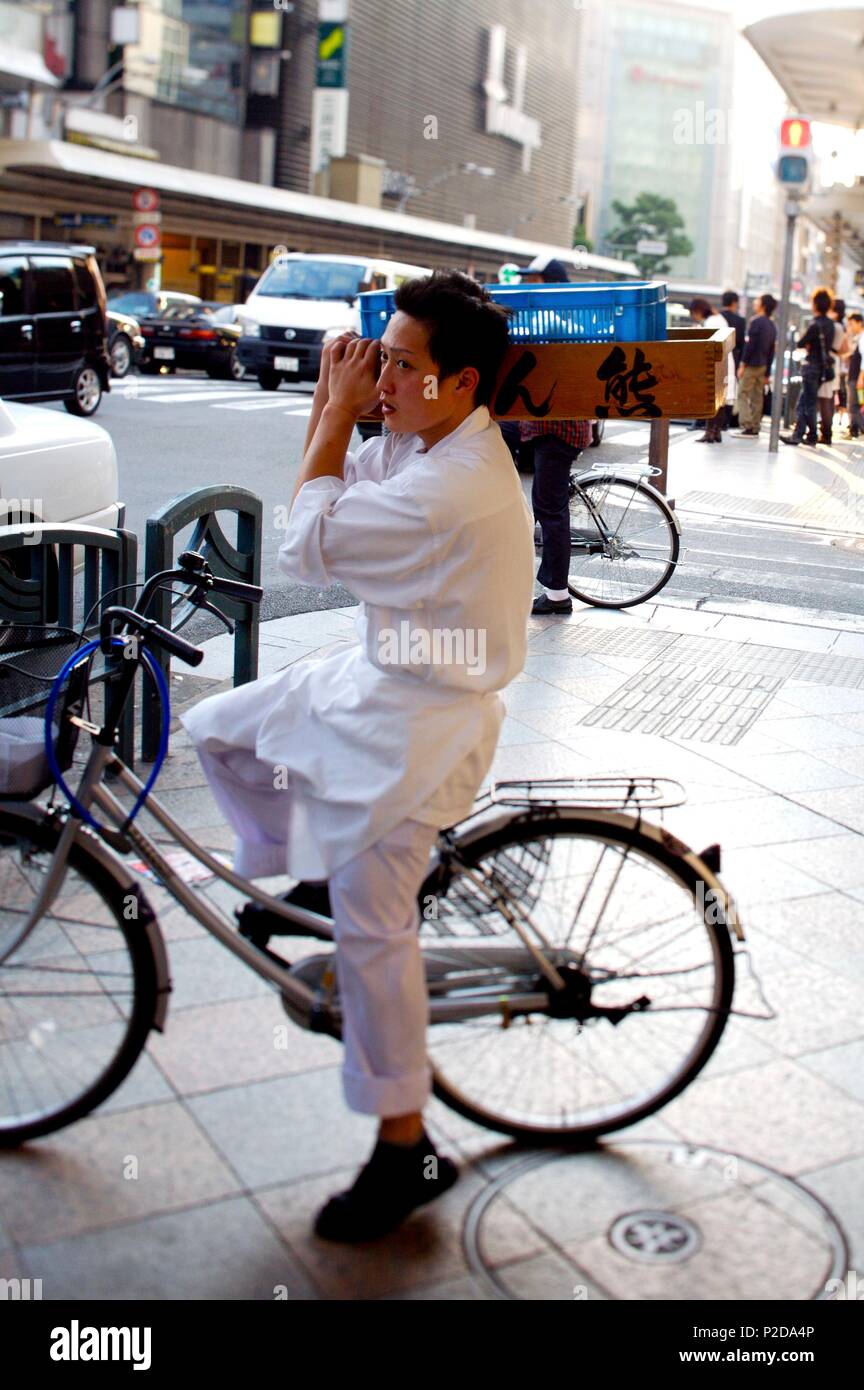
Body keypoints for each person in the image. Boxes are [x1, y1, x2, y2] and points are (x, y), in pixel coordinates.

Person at [181, 271, 535, 1242]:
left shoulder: (447, 487)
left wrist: (335, 412)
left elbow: (305, 545)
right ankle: (310, 866)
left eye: (404, 366)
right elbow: (325, 489)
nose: (386, 380)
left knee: (375, 936)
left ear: (462, 381)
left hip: (424, 720)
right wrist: (332, 407)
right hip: (386, 680)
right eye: (382, 357)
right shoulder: (436, 438)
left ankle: (404, 1148)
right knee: (222, 730)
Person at [516, 254, 592, 615]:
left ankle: (558, 594)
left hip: (556, 427)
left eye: (531, 280)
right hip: (551, 425)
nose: (525, 286)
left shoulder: (551, 322)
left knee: (550, 509)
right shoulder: (559, 319)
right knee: (547, 504)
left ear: (548, 283)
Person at [782, 287, 847, 446]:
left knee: (807, 403)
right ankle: (805, 435)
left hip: (811, 366)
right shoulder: (832, 324)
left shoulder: (815, 324)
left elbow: (801, 343)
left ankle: (806, 436)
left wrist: (808, 343)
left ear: (816, 304)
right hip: (822, 369)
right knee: (806, 401)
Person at [689, 298, 736, 442]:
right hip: (726, 360)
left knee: (712, 398)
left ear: (698, 311)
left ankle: (710, 432)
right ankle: (716, 432)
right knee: (720, 400)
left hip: (717, 362)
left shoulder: (711, 322)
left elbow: (707, 344)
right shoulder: (719, 318)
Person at [735, 294, 777, 436]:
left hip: (752, 364)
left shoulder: (756, 322)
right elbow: (772, 350)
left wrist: (742, 364)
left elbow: (750, 346)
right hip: (764, 365)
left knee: (742, 393)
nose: (755, 302)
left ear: (763, 305)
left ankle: (747, 424)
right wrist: (768, 373)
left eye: (758, 300)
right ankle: (755, 425)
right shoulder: (772, 325)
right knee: (757, 396)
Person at [720, 290, 746, 429]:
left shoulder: (717, 317)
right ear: (734, 303)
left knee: (715, 387)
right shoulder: (740, 321)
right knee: (730, 389)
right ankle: (726, 422)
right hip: (733, 357)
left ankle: (713, 420)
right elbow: (741, 343)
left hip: (717, 357)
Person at [843, 311, 862, 439]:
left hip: (856, 377)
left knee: (853, 405)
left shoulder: (863, 338)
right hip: (855, 376)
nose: (850, 327)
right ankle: (854, 429)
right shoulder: (858, 338)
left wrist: (861, 377)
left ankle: (855, 429)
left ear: (859, 323)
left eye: (852, 324)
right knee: (854, 404)